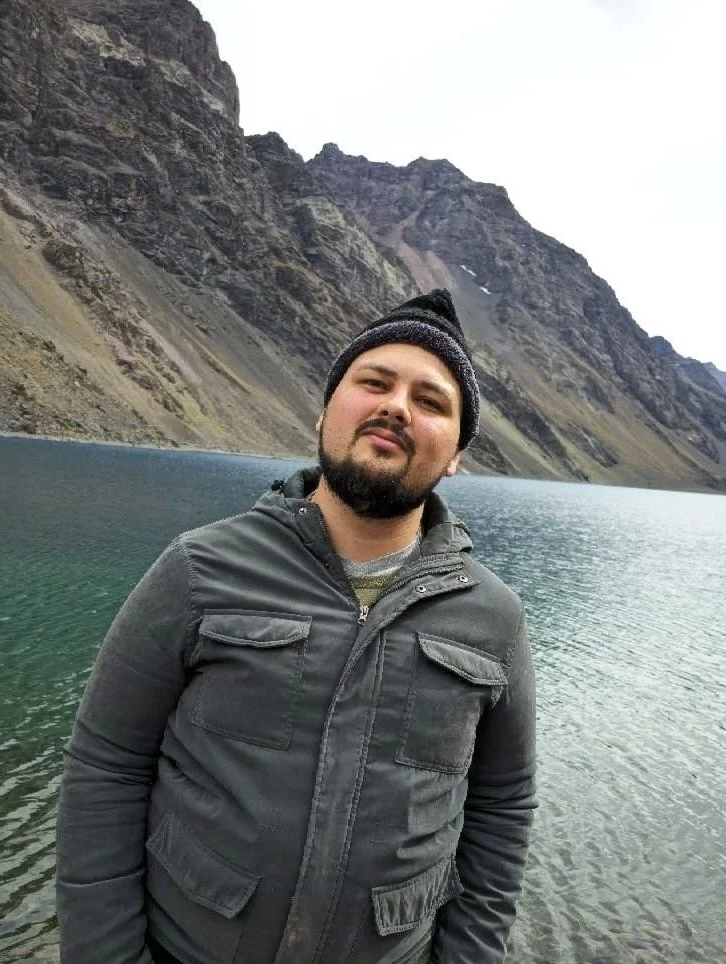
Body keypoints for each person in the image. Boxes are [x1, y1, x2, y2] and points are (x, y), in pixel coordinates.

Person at [56, 289, 538, 964]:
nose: (397, 406)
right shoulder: (199, 568)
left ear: (456, 454)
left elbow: (503, 806)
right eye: (374, 382)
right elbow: (107, 765)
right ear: (324, 413)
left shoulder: (494, 619)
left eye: (431, 402)